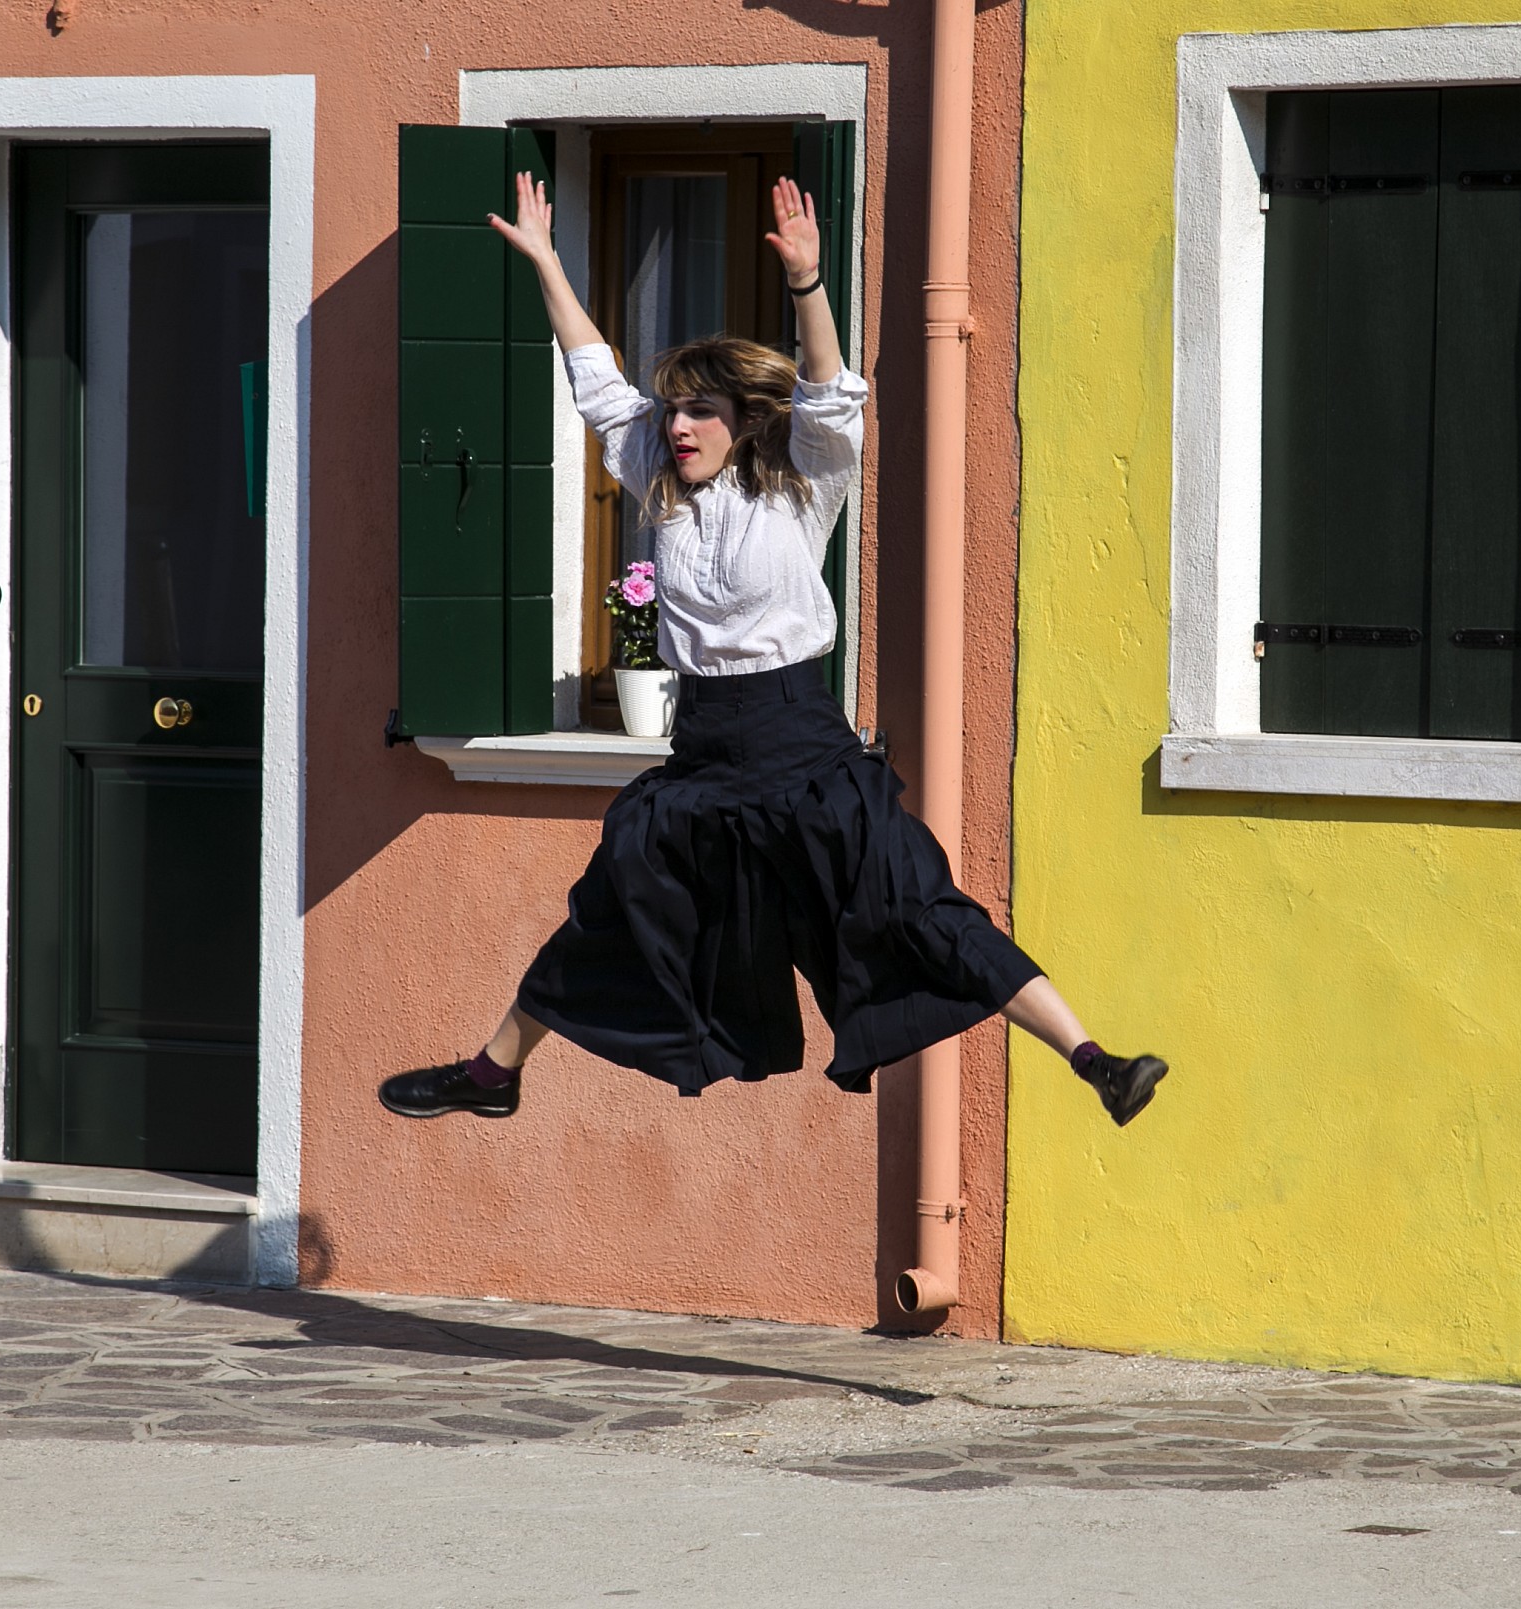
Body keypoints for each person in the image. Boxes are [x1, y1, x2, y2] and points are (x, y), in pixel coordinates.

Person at [380, 174, 1167, 1128]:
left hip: (804, 747)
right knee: (614, 899)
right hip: (706, 755)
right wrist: (548, 261)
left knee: (919, 905)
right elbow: (596, 381)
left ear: (746, 418)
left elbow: (830, 394)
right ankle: (492, 1073)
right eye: (672, 411)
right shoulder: (658, 477)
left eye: (700, 411)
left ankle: (1094, 1059)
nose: (677, 426)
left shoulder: (803, 484)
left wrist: (808, 285)